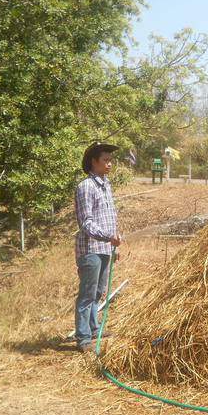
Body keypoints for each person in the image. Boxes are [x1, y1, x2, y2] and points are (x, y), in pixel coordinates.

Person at [74, 142, 122, 353]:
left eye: (111, 160)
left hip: (104, 248)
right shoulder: (86, 187)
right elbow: (86, 222)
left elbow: (108, 219)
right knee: (87, 294)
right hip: (90, 249)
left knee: (98, 292)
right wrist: (107, 237)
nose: (110, 164)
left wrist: (114, 245)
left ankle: (94, 329)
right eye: (106, 160)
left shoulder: (106, 185)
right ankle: (83, 337)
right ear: (94, 162)